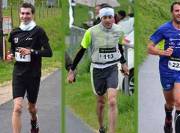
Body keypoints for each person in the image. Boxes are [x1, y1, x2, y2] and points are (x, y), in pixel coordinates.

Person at [67, 5, 129, 133]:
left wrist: (123, 63)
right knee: (101, 102)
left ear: (114, 18)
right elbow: (81, 51)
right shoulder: (91, 32)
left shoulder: (119, 30)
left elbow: (120, 47)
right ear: (100, 18)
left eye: (110, 17)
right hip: (97, 69)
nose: (107, 20)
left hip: (112, 67)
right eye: (104, 17)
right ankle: (101, 126)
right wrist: (72, 70)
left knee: (112, 101)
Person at [147, 1, 180, 133]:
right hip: (166, 70)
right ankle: (168, 117)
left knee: (179, 102)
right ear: (172, 13)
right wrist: (162, 52)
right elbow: (149, 48)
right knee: (170, 103)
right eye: (177, 11)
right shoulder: (164, 28)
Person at [7, 3, 52, 133]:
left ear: (32, 14)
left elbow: (49, 52)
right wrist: (10, 55)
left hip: (33, 74)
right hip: (19, 74)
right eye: (22, 13)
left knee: (31, 108)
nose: (24, 16)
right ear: (19, 15)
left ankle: (34, 121)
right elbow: (12, 49)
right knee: (17, 108)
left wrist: (31, 51)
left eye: (27, 13)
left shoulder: (39, 31)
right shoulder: (15, 32)